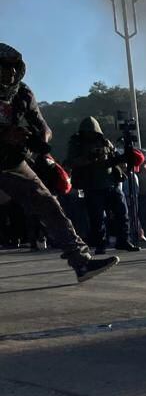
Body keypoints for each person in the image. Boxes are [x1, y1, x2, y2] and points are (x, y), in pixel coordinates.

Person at [0, 44, 115, 281]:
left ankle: (81, 262)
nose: (10, 73)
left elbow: (42, 125)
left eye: (14, 68)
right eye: (4, 67)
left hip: (11, 162)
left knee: (48, 204)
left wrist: (41, 140)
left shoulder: (22, 93)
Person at [65, 116, 139, 254]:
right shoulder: (77, 144)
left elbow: (114, 158)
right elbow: (70, 162)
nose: (90, 133)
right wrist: (89, 158)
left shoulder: (105, 142)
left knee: (122, 213)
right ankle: (101, 244)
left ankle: (123, 240)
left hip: (111, 182)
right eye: (87, 131)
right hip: (91, 185)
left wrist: (125, 157)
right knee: (97, 218)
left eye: (92, 131)